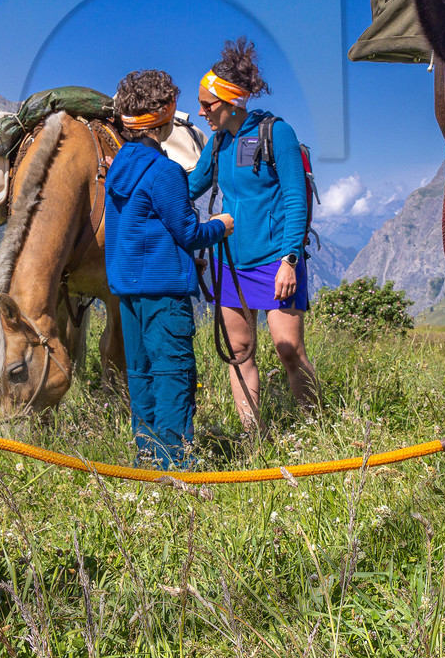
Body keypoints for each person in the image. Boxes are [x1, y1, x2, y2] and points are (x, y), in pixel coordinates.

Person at [187, 38, 320, 433]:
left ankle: (316, 430)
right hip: (230, 263)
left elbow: (296, 200)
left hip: (276, 261)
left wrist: (290, 260)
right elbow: (190, 185)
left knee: (289, 349)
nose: (201, 112)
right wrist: (145, 177)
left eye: (207, 104)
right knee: (239, 352)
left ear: (231, 101)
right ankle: (252, 438)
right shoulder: (218, 143)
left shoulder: (276, 133)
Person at [104, 70, 233, 467]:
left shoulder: (118, 167)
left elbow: (144, 227)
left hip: (128, 291)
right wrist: (222, 225)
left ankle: (147, 457)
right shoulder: (166, 171)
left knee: (141, 373)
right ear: (165, 116)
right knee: (173, 374)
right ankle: (176, 467)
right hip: (165, 294)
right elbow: (189, 233)